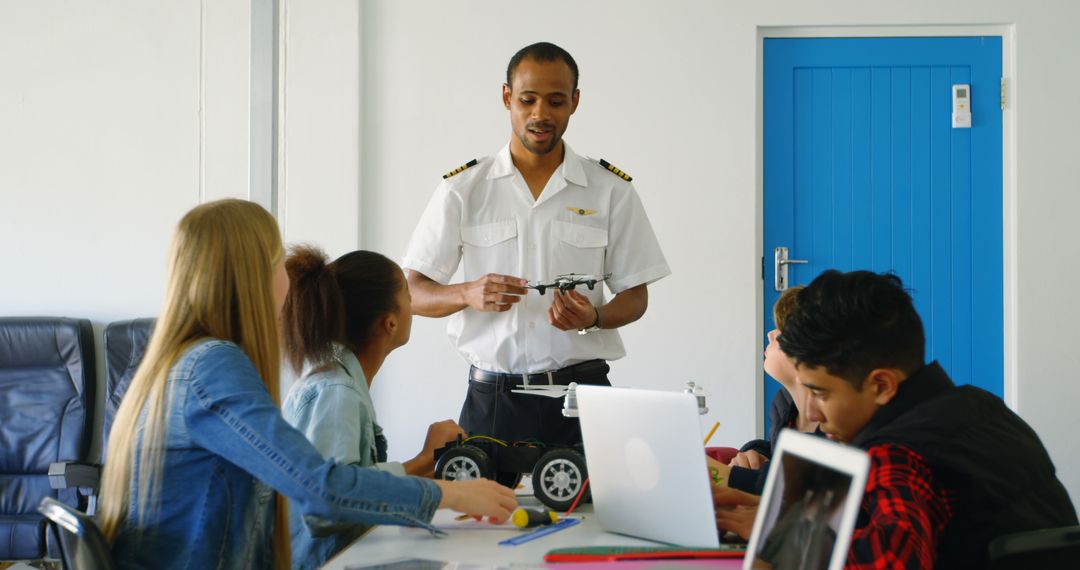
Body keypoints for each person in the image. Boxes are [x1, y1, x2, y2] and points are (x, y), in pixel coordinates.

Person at [98, 199, 516, 570]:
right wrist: (447, 494)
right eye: (278, 262)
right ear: (253, 276)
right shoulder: (213, 367)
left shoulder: (181, 362)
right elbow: (320, 489)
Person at [714, 270, 1077, 569]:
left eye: (821, 394)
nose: (812, 414)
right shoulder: (979, 407)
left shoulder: (901, 451)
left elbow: (889, 562)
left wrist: (779, 537)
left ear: (881, 385)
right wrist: (782, 517)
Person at [402, 42, 670, 445]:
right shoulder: (463, 189)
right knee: (482, 490)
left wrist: (594, 317)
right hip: (492, 400)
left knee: (596, 490)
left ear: (575, 102)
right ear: (507, 97)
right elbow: (412, 292)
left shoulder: (611, 190)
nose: (540, 114)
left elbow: (635, 296)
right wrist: (466, 292)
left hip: (583, 397)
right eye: (527, 100)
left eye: (556, 101)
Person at [279, 245, 471, 569]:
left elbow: (353, 483)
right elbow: (327, 505)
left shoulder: (342, 384)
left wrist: (427, 467)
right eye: (408, 295)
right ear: (389, 323)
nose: (413, 305)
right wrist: (423, 459)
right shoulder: (335, 393)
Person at [721, 285, 821, 495]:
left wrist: (729, 475)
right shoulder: (785, 403)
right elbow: (778, 452)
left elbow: (799, 482)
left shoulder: (835, 425)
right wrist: (755, 453)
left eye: (780, 332)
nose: (770, 334)